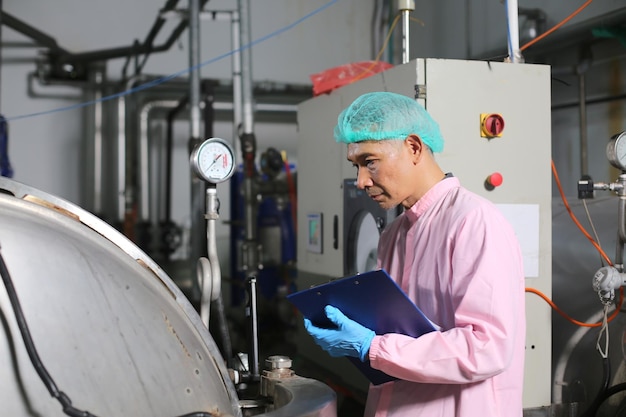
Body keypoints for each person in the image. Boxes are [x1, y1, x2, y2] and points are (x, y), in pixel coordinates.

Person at [303, 91, 526, 417]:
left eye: (370, 162)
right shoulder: (393, 235)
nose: (361, 181)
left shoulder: (474, 221)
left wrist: (371, 346)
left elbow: (487, 348)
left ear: (414, 148)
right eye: (356, 166)